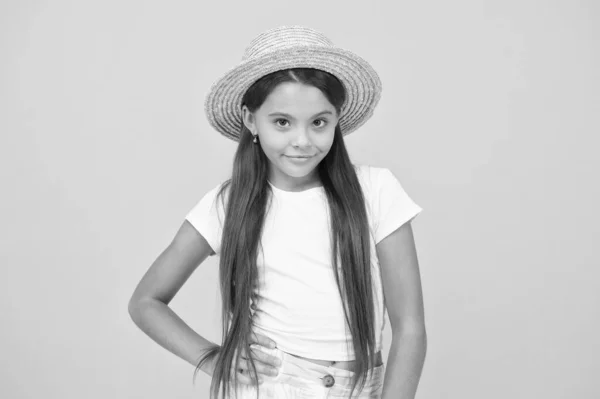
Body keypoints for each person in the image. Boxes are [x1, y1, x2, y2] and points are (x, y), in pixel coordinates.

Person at [129, 25, 427, 399]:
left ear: (336, 119)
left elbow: (410, 328)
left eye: (319, 122)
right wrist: (211, 358)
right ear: (251, 121)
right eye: (282, 122)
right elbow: (145, 302)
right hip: (270, 387)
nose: (302, 141)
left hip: (362, 387)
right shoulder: (231, 203)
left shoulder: (376, 190)